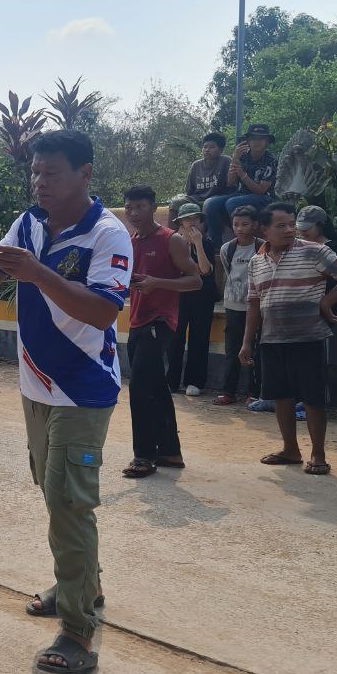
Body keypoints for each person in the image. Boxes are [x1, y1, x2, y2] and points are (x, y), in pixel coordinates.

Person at [0, 130, 132, 674]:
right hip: (35, 385)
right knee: (55, 496)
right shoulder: (28, 223)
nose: (40, 182)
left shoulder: (108, 234)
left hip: (83, 388)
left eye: (51, 172)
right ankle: (82, 584)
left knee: (69, 502)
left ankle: (78, 631)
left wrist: (37, 273)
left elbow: (102, 312)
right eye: (35, 172)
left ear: (85, 174)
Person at [241, 202, 337, 475]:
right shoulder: (256, 262)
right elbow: (253, 303)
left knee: (313, 398)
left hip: (308, 338)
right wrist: (247, 342)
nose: (289, 230)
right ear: (264, 230)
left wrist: (326, 302)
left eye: (291, 224)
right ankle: (290, 449)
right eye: (281, 225)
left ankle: (318, 454)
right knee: (281, 396)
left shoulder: (313, 251)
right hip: (272, 339)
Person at [123, 186, 201, 479]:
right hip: (137, 320)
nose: (133, 213)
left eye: (140, 207)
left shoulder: (172, 240)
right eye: (129, 208)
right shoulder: (130, 242)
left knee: (140, 387)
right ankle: (170, 451)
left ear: (154, 208)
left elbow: (195, 281)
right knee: (156, 386)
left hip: (161, 321)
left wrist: (157, 283)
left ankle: (143, 456)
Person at [213, 205, 263, 406]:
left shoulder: (262, 247)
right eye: (236, 224)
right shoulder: (227, 249)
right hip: (233, 306)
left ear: (255, 225)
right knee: (232, 350)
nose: (240, 228)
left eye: (245, 224)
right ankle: (228, 392)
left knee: (255, 350)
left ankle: (254, 392)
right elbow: (229, 272)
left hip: (257, 307)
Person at [167, 202, 216, 397]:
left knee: (199, 338)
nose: (192, 222)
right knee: (175, 338)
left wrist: (198, 244)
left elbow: (205, 270)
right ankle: (171, 380)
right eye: (187, 219)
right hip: (178, 295)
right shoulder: (173, 242)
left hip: (202, 296)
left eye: (196, 218)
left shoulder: (207, 243)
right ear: (181, 222)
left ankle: (195, 381)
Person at [204, 124, 278, 241]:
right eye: (253, 138)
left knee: (232, 203)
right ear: (247, 141)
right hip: (241, 193)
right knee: (212, 204)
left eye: (261, 139)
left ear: (267, 142)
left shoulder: (271, 160)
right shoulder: (242, 156)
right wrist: (235, 158)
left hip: (265, 197)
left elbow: (261, 190)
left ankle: (242, 240)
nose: (257, 142)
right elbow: (230, 182)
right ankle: (216, 243)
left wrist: (243, 174)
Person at [184, 133, 232, 207]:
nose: (207, 150)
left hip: (217, 198)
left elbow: (231, 186)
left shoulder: (226, 161)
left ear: (221, 150)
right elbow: (189, 190)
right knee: (176, 203)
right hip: (197, 198)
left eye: (211, 147)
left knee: (209, 204)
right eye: (205, 147)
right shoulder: (196, 165)